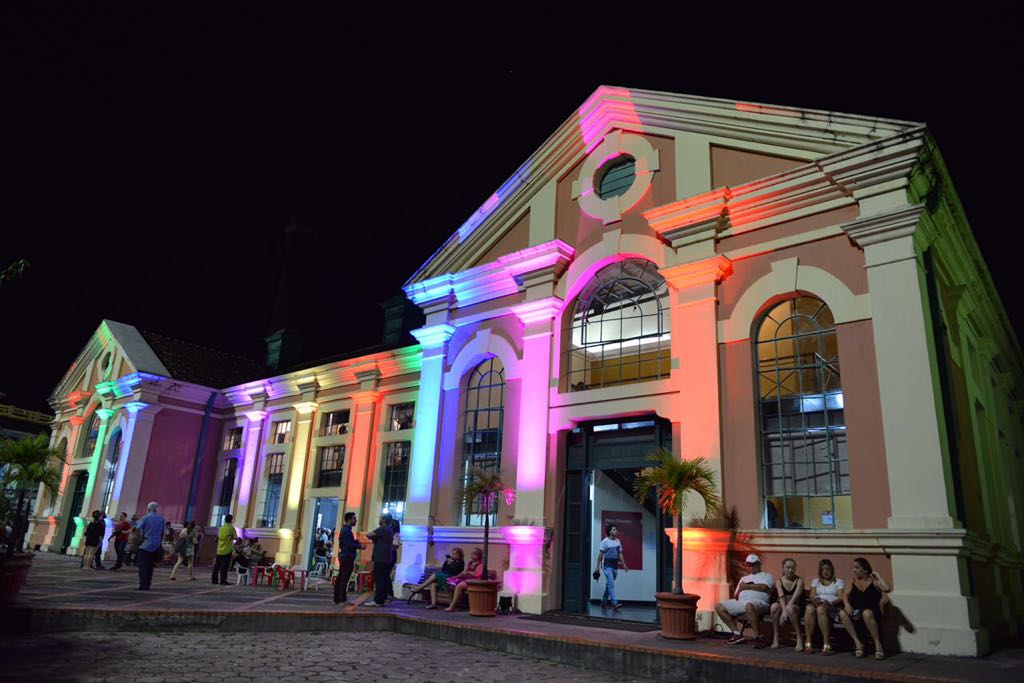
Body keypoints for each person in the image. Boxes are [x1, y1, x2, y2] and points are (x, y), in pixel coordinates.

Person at [714, 553, 774, 648]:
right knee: (719, 606)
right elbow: (736, 594)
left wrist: (746, 586)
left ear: (759, 564)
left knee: (749, 605)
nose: (750, 567)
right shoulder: (744, 578)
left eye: (753, 564)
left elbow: (764, 587)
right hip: (741, 602)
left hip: (760, 603)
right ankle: (737, 634)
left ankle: (757, 637)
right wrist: (742, 589)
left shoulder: (767, 576)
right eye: (748, 564)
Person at [839, 557, 891, 660]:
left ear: (865, 569)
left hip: (872, 612)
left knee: (866, 613)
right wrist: (847, 605)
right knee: (842, 613)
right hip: (857, 612)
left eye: (857, 568)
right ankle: (858, 643)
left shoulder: (874, 582)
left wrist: (878, 576)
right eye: (854, 568)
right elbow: (844, 595)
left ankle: (878, 645)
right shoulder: (852, 581)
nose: (854, 570)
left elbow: (887, 588)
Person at [803, 559, 844, 655]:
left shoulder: (838, 581)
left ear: (832, 570)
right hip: (818, 604)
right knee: (809, 608)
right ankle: (808, 641)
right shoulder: (816, 581)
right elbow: (812, 596)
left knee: (821, 609)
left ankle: (826, 643)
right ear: (820, 571)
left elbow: (840, 597)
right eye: (824, 569)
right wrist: (815, 601)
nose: (826, 572)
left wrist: (830, 603)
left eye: (828, 569)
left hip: (832, 606)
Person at [770, 558, 805, 650]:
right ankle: (776, 637)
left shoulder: (799, 580)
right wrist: (784, 612)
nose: (790, 570)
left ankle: (799, 638)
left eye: (792, 568)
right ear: (783, 568)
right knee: (774, 607)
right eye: (788, 568)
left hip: (796, 607)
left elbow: (794, 599)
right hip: (784, 605)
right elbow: (781, 597)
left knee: (790, 609)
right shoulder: (779, 581)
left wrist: (784, 612)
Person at [594, 524, 629, 610]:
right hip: (607, 566)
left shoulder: (618, 541)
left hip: (615, 567)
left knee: (609, 585)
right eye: (614, 529)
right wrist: (597, 567)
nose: (616, 531)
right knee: (611, 584)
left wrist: (624, 564)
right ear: (609, 531)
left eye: (616, 529)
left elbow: (620, 553)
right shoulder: (604, 542)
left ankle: (603, 602)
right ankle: (614, 602)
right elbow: (600, 555)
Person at [334, 511, 366, 605]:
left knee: (340, 577)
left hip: (344, 556)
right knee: (344, 578)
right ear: (349, 519)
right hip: (347, 556)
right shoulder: (347, 531)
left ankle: (337, 599)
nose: (356, 520)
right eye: (354, 518)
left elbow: (348, 542)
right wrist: (360, 546)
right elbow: (349, 544)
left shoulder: (345, 530)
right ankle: (342, 599)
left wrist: (356, 541)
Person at [363, 513, 394, 607]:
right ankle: (382, 598)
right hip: (387, 558)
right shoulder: (390, 530)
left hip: (380, 558)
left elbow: (368, 534)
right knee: (384, 579)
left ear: (384, 520)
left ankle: (378, 601)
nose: (379, 520)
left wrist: (374, 537)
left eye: (380, 518)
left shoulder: (382, 529)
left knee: (379, 579)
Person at [444, 547, 486, 612]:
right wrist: (456, 577)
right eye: (472, 553)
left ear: (478, 556)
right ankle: (451, 604)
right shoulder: (470, 563)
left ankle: (452, 606)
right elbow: (464, 572)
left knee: (459, 586)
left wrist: (468, 572)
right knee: (450, 583)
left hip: (473, 582)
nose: (472, 555)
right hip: (466, 580)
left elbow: (477, 575)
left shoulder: (480, 564)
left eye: (474, 554)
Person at [135, 501, 165, 590]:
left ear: (148, 509)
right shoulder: (161, 519)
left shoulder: (146, 517)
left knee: (143, 566)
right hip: (156, 545)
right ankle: (147, 584)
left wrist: (139, 540)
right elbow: (162, 533)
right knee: (150, 567)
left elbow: (138, 529)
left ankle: (142, 584)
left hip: (145, 545)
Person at [212, 513, 237, 585]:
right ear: (231, 520)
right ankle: (223, 580)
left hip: (219, 549)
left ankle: (214, 580)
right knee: (224, 566)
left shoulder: (221, 528)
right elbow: (235, 538)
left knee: (217, 565)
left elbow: (217, 538)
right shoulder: (231, 528)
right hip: (227, 550)